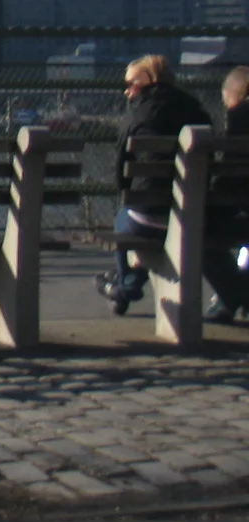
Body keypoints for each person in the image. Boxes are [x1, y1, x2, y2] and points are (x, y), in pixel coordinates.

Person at [100, 53, 212, 315]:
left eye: (130, 84)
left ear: (147, 81)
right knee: (142, 224)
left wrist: (125, 196)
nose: (126, 91)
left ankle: (125, 284)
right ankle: (125, 283)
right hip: (193, 213)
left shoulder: (138, 114)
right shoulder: (196, 109)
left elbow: (121, 171)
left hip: (148, 216)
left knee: (124, 220)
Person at [204, 65, 249, 324]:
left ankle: (233, 294)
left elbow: (233, 173)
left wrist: (213, 196)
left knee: (198, 228)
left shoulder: (241, 116)